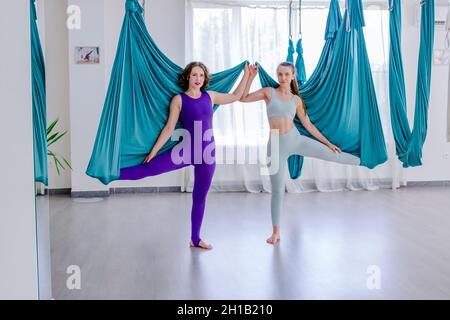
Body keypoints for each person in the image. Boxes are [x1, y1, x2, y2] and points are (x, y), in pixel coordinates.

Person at [240, 62, 360, 245]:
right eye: (280, 74)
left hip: (295, 139)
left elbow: (308, 125)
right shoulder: (268, 92)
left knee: (331, 154)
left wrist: (328, 143)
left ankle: (363, 160)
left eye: (287, 74)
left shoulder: (296, 100)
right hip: (275, 146)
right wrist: (250, 76)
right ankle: (276, 232)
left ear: (293, 75)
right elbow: (243, 98)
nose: (283, 78)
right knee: (278, 191)